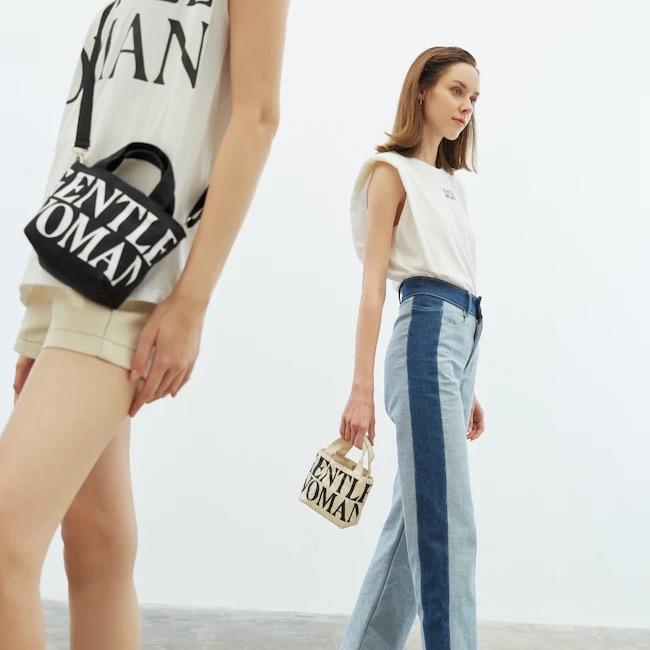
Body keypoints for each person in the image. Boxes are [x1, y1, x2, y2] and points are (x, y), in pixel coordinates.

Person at [1, 1, 289, 648]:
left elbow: (258, 116)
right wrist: (46, 314)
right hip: (76, 259)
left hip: (137, 274)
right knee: (97, 549)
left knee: (6, 544)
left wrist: (192, 301)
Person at [339, 46, 486, 650]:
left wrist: (466, 381)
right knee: (449, 527)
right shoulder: (389, 173)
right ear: (421, 91)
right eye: (456, 90)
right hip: (424, 335)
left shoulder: (450, 184)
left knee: (413, 526)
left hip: (457, 342)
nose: (466, 107)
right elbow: (374, 286)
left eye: (473, 98)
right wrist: (361, 389)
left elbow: (457, 276)